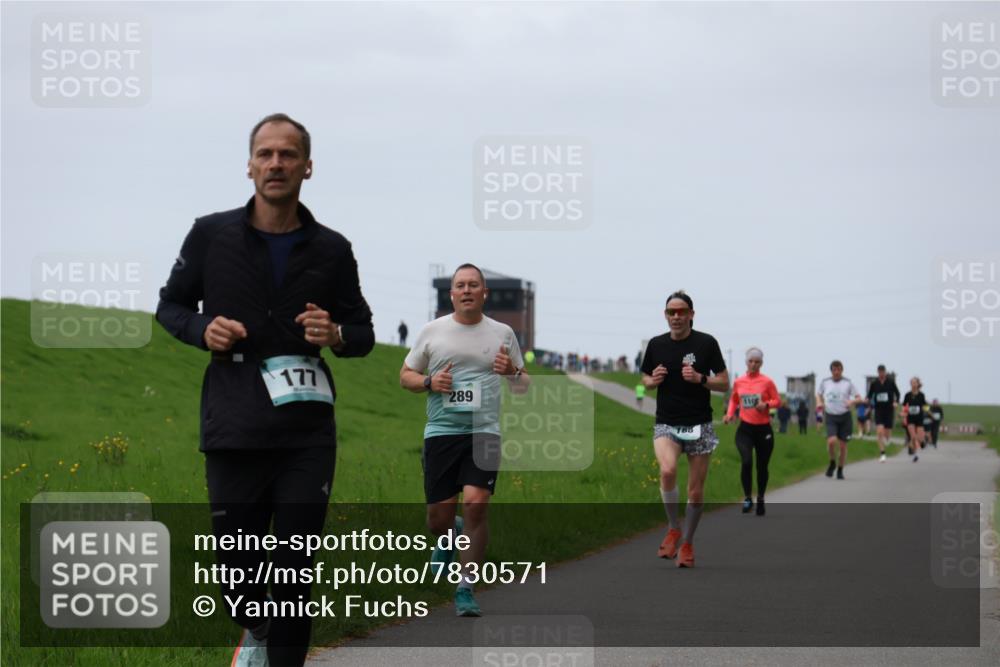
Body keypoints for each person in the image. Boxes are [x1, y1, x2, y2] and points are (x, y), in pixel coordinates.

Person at [156, 113, 374, 667]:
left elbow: (364, 332)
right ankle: (254, 629)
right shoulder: (211, 234)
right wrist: (201, 329)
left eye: (288, 154)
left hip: (306, 431)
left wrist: (338, 335)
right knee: (238, 574)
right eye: (265, 154)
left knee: (295, 573)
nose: (276, 164)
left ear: (307, 166)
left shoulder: (332, 248)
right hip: (233, 421)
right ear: (249, 164)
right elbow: (170, 305)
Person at [399, 263, 530, 617]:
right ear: (452, 294)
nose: (467, 290)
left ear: (484, 292)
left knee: (476, 504)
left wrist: (512, 372)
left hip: (484, 431)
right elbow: (405, 376)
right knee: (436, 520)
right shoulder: (432, 331)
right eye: (461, 285)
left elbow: (523, 386)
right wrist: (429, 382)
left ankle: (465, 587)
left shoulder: (503, 333)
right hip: (441, 433)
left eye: (474, 285)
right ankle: (450, 532)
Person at [641, 290, 729, 568]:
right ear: (665, 315)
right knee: (667, 470)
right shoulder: (656, 344)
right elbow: (644, 379)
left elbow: (725, 383)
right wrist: (651, 381)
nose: (676, 317)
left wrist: (701, 378)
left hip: (699, 423)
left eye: (681, 312)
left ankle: (688, 543)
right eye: (671, 312)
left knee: (695, 491)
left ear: (691, 314)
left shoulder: (706, 343)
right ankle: (673, 528)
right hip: (667, 421)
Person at [723, 347, 779, 516]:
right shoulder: (739, 382)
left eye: (757, 362)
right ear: (746, 362)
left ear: (761, 363)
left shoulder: (767, 382)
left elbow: (777, 400)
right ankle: (748, 497)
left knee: (762, 467)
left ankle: (760, 497)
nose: (753, 364)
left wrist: (766, 404)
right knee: (746, 461)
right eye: (751, 361)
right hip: (745, 429)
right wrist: (729, 414)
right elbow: (734, 400)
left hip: (763, 429)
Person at [816, 360, 862, 480]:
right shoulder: (825, 382)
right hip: (831, 416)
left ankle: (840, 470)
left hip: (845, 417)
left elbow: (859, 398)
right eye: (834, 370)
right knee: (831, 442)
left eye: (838, 369)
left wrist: (852, 401)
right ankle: (832, 462)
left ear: (842, 370)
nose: (836, 372)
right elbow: (818, 394)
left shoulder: (848, 383)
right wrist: (819, 402)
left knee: (842, 446)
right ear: (831, 371)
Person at [867, 364, 900, 462]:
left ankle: (888, 439)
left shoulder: (890, 382)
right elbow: (869, 395)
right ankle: (882, 454)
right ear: (878, 372)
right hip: (879, 410)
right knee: (879, 431)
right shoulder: (874, 383)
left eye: (883, 371)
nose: (881, 373)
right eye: (879, 372)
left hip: (889, 409)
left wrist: (896, 402)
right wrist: (868, 403)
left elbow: (897, 393)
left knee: (887, 433)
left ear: (885, 372)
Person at [901, 378, 928, 462]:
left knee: (920, 439)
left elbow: (925, 406)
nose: (913, 384)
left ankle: (923, 441)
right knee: (913, 437)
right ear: (910, 384)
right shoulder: (907, 395)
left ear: (917, 384)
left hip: (919, 418)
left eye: (915, 383)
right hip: (910, 418)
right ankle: (915, 455)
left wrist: (927, 411)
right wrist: (903, 414)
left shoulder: (921, 395)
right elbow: (904, 406)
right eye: (912, 383)